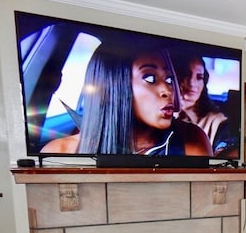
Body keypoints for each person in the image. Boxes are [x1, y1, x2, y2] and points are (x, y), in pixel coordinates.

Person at [41, 37, 212, 157]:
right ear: (114, 85)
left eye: (168, 79)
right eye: (150, 78)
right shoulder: (60, 153)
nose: (167, 90)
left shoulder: (192, 141)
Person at [172, 50, 238, 157]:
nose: (192, 83)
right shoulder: (159, 114)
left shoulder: (216, 122)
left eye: (199, 77)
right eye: (186, 75)